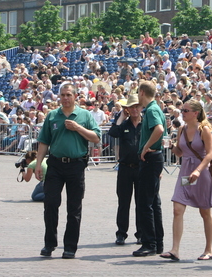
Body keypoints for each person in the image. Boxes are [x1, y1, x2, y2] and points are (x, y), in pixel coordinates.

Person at [35, 83, 101, 259]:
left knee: (74, 208)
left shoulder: (84, 115)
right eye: (63, 95)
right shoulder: (52, 116)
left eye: (69, 95)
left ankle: (70, 246)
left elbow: (96, 137)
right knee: (50, 204)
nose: (65, 98)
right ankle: (49, 243)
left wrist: (78, 128)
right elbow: (43, 142)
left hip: (76, 165)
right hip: (55, 164)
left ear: (75, 96)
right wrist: (38, 164)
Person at [160, 99, 212, 262]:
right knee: (177, 208)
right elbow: (180, 152)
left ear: (195, 113)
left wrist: (198, 171)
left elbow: (210, 154)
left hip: (201, 174)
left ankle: (209, 249)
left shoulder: (204, 129)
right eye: (182, 110)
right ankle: (175, 249)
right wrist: (171, 146)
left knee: (205, 211)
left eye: (185, 111)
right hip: (185, 174)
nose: (182, 113)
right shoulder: (182, 129)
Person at [133, 81, 166, 257]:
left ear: (142, 92)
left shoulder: (152, 109)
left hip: (150, 159)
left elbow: (159, 129)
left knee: (145, 202)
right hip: (155, 158)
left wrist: (145, 146)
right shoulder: (156, 108)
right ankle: (156, 242)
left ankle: (149, 242)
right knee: (153, 202)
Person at [108, 93, 142, 245]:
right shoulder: (124, 124)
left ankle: (141, 233)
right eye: (131, 107)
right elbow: (113, 133)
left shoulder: (146, 124)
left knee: (141, 202)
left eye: (137, 106)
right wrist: (122, 115)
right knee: (123, 202)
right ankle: (121, 233)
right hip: (125, 168)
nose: (134, 110)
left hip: (141, 167)